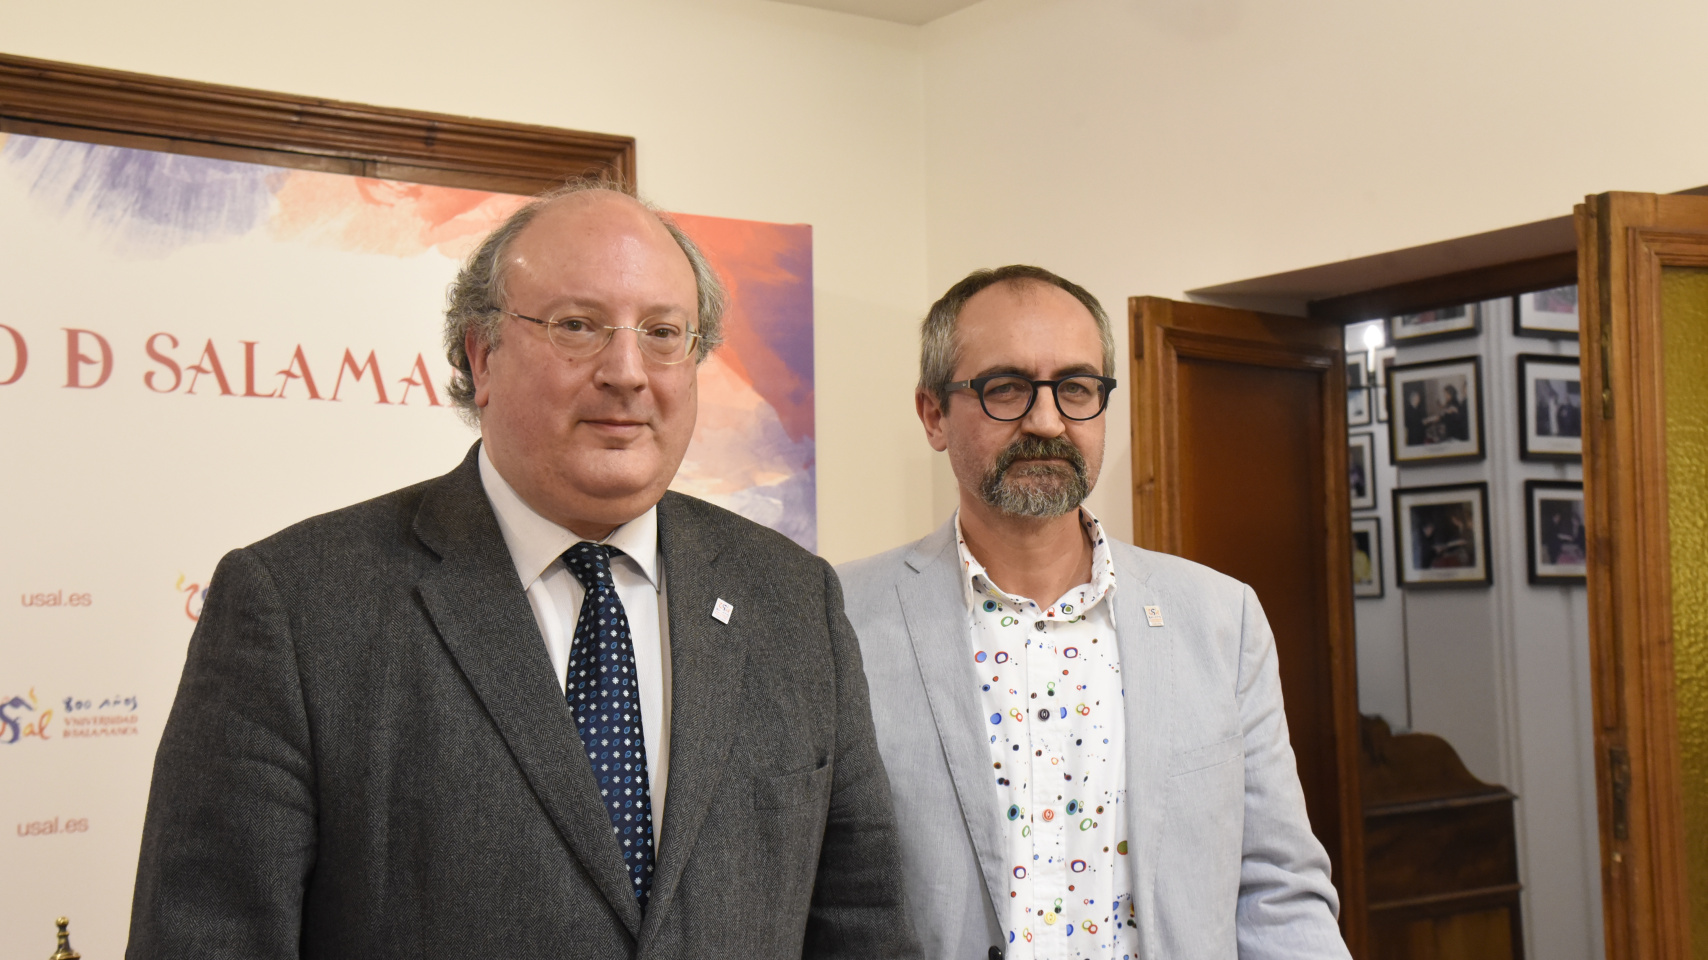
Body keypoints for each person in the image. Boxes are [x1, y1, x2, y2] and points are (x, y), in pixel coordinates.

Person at [126, 182, 920, 960]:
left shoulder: (791, 597)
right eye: (578, 325)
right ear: (483, 355)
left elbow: (862, 924)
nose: (627, 371)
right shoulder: (295, 606)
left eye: (663, 332)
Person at [836, 265, 1349, 960]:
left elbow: (1278, 889)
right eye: (1006, 388)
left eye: (1076, 388)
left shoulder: (1220, 620)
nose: (1046, 421)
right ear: (933, 414)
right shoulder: (841, 621)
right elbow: (818, 899)